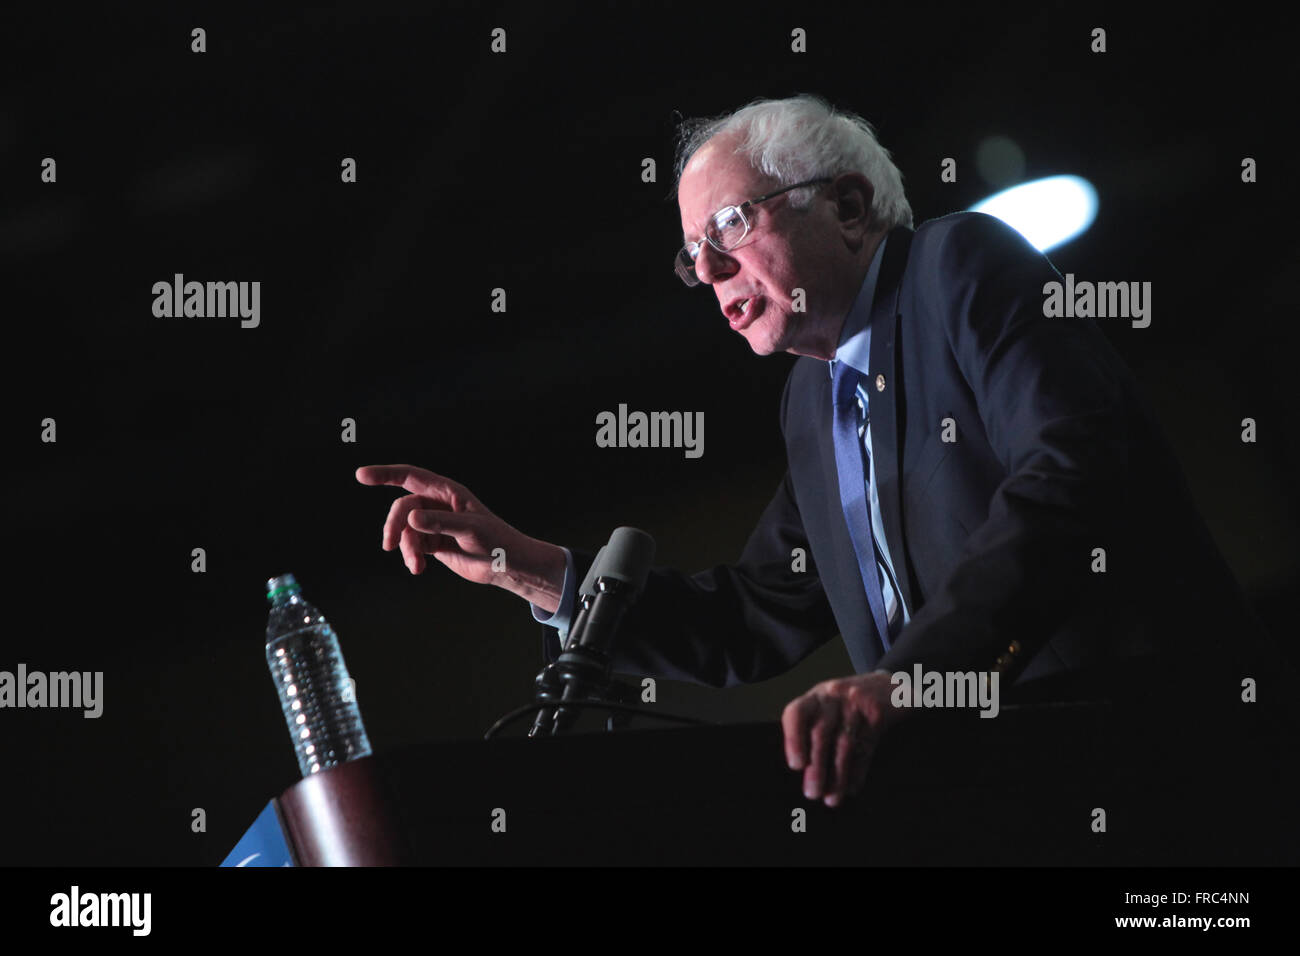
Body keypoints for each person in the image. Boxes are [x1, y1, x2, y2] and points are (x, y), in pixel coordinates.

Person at [357, 94, 1279, 809]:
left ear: (846, 205)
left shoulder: (960, 267)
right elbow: (759, 614)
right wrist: (527, 568)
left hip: (1154, 767)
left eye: (728, 228)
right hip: (992, 806)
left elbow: (1071, 477)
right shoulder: (813, 399)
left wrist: (907, 685)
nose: (709, 273)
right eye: (691, 255)